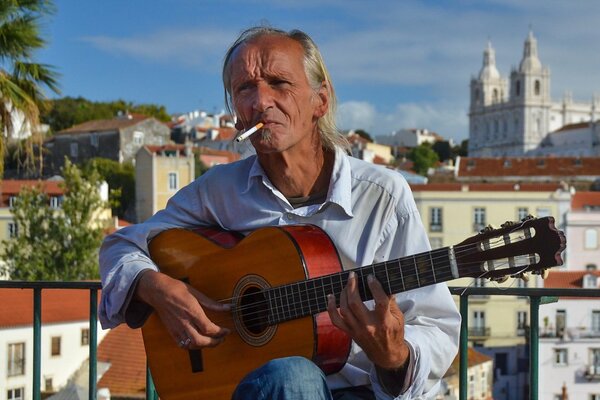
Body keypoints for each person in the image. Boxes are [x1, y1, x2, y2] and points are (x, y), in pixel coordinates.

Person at [99, 26, 460, 400]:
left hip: (363, 390)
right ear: (237, 115)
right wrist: (155, 287)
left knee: (294, 377)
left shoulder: (382, 195)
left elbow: (435, 322)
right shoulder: (220, 191)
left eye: (279, 83)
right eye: (245, 89)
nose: (261, 101)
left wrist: (396, 357)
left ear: (320, 101)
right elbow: (120, 246)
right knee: (292, 377)